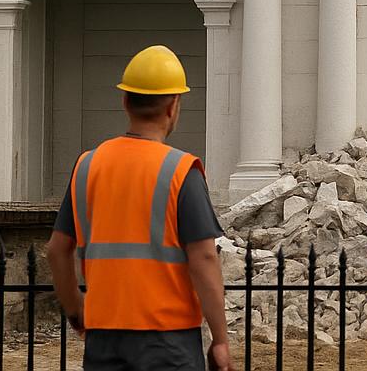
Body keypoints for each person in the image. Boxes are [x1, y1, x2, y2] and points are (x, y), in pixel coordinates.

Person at [47, 45, 231, 371]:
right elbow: (204, 258)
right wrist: (220, 339)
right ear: (173, 106)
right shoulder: (181, 171)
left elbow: (57, 251)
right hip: (168, 342)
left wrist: (76, 310)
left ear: (125, 102)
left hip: (105, 339)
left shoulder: (87, 166)